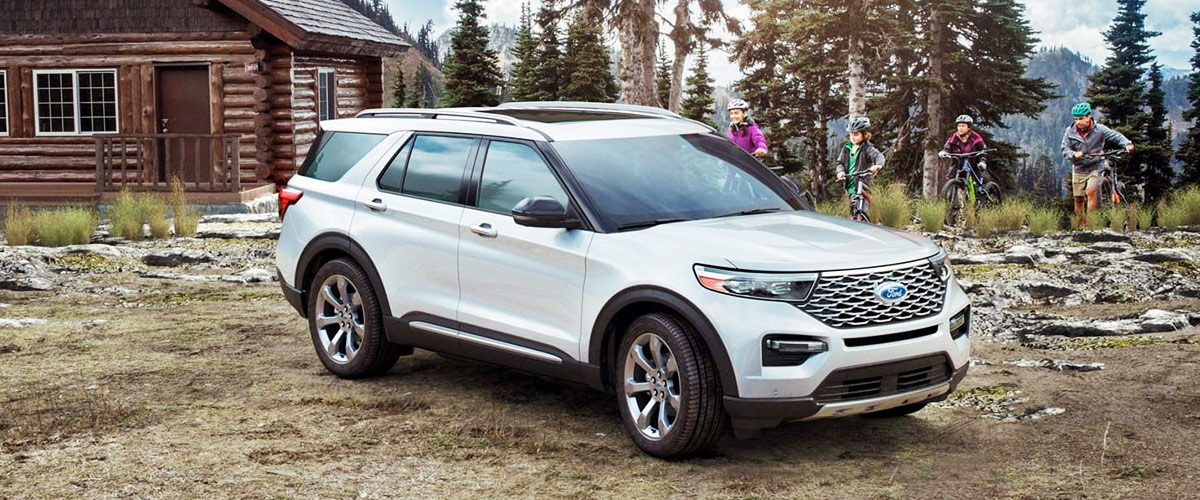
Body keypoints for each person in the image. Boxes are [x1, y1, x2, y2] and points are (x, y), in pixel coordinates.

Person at [1060, 102, 1134, 228]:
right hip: (1079, 168)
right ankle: (1081, 225)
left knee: (1091, 191)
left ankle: (1091, 224)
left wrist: (1127, 144)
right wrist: (1074, 154)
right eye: (1076, 119)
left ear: (1088, 117)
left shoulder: (1100, 129)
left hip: (1096, 166)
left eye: (1081, 119)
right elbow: (1064, 149)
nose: (1078, 122)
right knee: (1078, 199)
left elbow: (1115, 136)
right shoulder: (1070, 131)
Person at [835, 116, 886, 198]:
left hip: (863, 187)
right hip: (849, 187)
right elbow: (839, 162)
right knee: (851, 209)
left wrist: (878, 165)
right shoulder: (846, 148)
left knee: (863, 207)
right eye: (851, 134)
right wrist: (840, 171)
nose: (852, 137)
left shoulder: (867, 149)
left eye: (856, 134)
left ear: (864, 135)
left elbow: (878, 156)